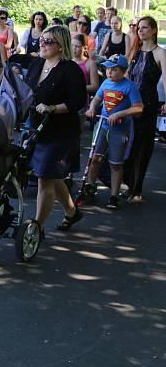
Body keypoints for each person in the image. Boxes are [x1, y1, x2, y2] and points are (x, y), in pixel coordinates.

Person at [25, 24, 87, 232]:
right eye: (42, 40)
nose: (43, 44)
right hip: (38, 129)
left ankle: (36, 228)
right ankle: (72, 212)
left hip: (61, 132)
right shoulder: (36, 65)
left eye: (48, 41)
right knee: (52, 174)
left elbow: (78, 101)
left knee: (44, 178)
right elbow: (26, 91)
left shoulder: (70, 70)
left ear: (61, 46)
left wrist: (53, 108)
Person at [82, 54, 143, 209]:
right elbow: (97, 98)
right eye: (108, 69)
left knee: (115, 164)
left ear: (123, 71)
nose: (109, 72)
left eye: (114, 69)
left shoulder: (129, 86)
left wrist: (119, 114)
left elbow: (138, 108)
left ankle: (114, 196)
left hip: (120, 130)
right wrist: (92, 108)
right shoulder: (106, 83)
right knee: (95, 158)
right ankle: (89, 186)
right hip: (103, 126)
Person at [123, 16, 166, 202]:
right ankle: (128, 183)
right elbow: (125, 76)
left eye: (145, 27)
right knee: (128, 143)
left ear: (154, 30)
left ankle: (136, 189)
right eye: (139, 28)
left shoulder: (159, 53)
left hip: (148, 103)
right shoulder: (136, 51)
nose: (140, 30)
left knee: (143, 145)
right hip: (130, 102)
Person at [72, 34, 100, 121]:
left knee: (78, 131)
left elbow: (95, 86)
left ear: (84, 48)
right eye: (72, 45)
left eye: (77, 46)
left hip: (81, 102)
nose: (74, 48)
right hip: (65, 100)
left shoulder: (90, 63)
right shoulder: (66, 60)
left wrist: (76, 88)